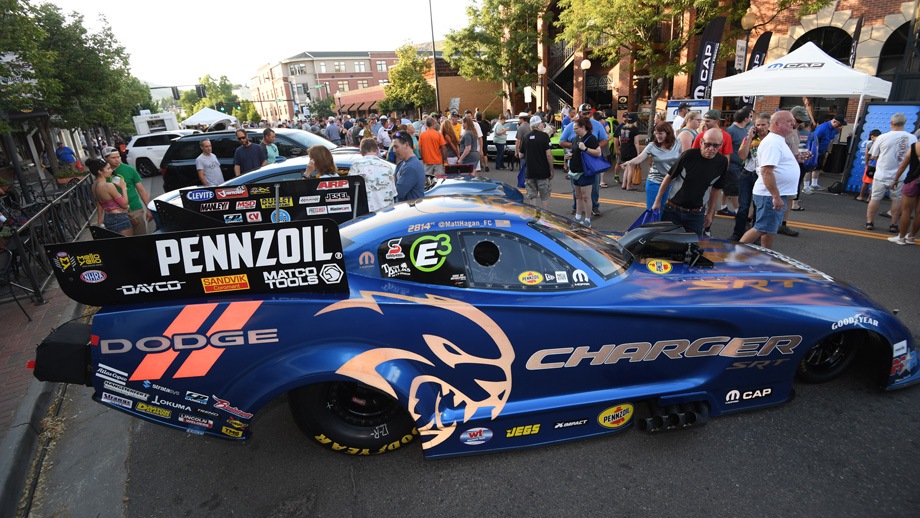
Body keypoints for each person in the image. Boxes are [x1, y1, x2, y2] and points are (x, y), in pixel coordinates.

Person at [739, 111, 801, 249]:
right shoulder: (772, 142)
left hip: (774, 194)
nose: (793, 124)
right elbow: (766, 171)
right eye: (789, 121)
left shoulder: (778, 140)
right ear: (777, 124)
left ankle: (765, 257)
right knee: (761, 228)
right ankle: (734, 255)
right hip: (769, 195)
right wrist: (775, 196)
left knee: (769, 228)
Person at [652, 128, 729, 237]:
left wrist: (710, 213)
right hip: (673, 210)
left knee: (693, 247)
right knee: (666, 243)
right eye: (707, 144)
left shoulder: (722, 162)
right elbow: (669, 177)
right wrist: (657, 201)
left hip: (696, 214)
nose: (711, 149)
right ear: (701, 142)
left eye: (716, 146)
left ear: (721, 144)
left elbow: (716, 189)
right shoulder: (688, 155)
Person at [866, 113, 917, 232]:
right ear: (904, 123)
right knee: (897, 200)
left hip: (882, 173)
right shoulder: (912, 138)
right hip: (900, 175)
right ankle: (893, 224)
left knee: (875, 198)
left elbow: (873, 155)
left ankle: (869, 222)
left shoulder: (882, 137)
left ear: (891, 123)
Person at [560, 104, 610, 215]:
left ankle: (594, 206)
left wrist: (594, 147)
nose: (587, 115)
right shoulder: (572, 126)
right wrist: (574, 147)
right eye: (584, 113)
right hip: (576, 163)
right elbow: (562, 141)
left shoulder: (597, 125)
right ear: (579, 113)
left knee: (594, 187)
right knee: (576, 190)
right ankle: (576, 207)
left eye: (589, 113)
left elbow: (604, 140)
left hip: (591, 163)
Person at [730, 113, 770, 241]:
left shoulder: (772, 140)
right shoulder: (749, 139)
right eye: (758, 124)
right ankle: (738, 233)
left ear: (769, 125)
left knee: (759, 207)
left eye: (763, 124)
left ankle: (756, 236)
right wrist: (749, 138)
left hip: (763, 176)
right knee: (743, 207)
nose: (760, 127)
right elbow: (742, 155)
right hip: (747, 174)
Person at [624, 122, 681, 210]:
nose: (658, 136)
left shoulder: (677, 144)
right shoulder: (652, 146)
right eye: (656, 133)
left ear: (668, 133)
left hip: (671, 183)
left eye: (660, 133)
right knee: (653, 210)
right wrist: (629, 162)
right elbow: (640, 158)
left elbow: (683, 159)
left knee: (666, 212)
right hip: (655, 182)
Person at [102, 146, 151, 235]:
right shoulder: (103, 174)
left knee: (141, 238)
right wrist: (100, 219)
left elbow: (141, 190)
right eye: (113, 158)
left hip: (134, 209)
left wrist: (149, 208)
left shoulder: (130, 169)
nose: (117, 160)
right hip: (116, 214)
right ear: (105, 158)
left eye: (118, 157)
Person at [348, 138, 397, 212]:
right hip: (386, 213)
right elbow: (393, 193)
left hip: (366, 214)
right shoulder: (387, 167)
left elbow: (351, 192)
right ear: (377, 151)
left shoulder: (356, 166)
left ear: (361, 152)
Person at [569, 117, 602, 227]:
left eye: (576, 128)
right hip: (575, 171)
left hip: (585, 172)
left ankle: (587, 219)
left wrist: (585, 149)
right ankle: (578, 217)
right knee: (577, 195)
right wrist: (570, 155)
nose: (574, 130)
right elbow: (575, 151)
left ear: (583, 127)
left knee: (586, 196)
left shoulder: (591, 138)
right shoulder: (576, 138)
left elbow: (598, 153)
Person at [88, 157, 132, 236]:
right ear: (100, 171)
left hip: (108, 217)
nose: (111, 171)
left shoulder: (94, 186)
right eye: (108, 169)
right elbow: (124, 205)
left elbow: (100, 203)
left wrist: (100, 219)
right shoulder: (108, 186)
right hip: (119, 218)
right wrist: (123, 188)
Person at [721, 107, 752, 216]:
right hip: (732, 165)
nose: (751, 119)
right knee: (734, 189)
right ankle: (739, 212)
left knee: (728, 187)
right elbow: (724, 148)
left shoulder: (745, 130)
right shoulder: (731, 131)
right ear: (745, 118)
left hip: (740, 165)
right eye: (750, 116)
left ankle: (722, 207)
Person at [889, 138, 920, 244]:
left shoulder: (915, 146)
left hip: (913, 181)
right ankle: (911, 236)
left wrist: (896, 179)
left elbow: (903, 165)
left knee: (906, 211)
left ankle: (901, 237)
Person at [521, 115, 554, 209]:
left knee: (532, 196)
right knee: (544, 197)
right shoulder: (544, 136)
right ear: (538, 125)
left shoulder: (526, 137)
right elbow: (548, 155)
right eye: (542, 124)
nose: (543, 125)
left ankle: (534, 217)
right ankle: (544, 218)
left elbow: (520, 155)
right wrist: (551, 169)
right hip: (543, 172)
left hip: (530, 172)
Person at [812, 114, 847, 182]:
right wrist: (814, 150)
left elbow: (830, 137)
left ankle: (814, 184)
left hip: (821, 150)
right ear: (834, 121)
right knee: (810, 168)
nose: (840, 126)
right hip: (815, 150)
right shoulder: (823, 128)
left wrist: (837, 131)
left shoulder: (833, 129)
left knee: (818, 168)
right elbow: (814, 138)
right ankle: (806, 186)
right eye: (839, 125)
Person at [392, 131, 425, 201]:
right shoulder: (401, 163)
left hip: (410, 210)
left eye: (396, 147)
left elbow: (397, 193)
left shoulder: (411, 167)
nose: (394, 150)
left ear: (406, 145)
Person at [614, 112, 640, 191]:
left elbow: (620, 140)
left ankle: (623, 184)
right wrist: (638, 153)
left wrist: (620, 149)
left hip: (623, 150)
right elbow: (636, 142)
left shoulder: (622, 128)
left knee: (626, 168)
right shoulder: (634, 129)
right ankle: (628, 185)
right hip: (631, 150)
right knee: (630, 168)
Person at [857, 129, 882, 202]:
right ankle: (869, 198)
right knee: (874, 183)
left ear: (872, 136)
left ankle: (861, 196)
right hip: (879, 166)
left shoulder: (869, 144)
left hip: (870, 165)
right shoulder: (882, 144)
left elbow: (866, 155)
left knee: (866, 182)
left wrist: (866, 163)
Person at [515, 112, 533, 187]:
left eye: (519, 118)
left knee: (524, 167)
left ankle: (525, 182)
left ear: (522, 119)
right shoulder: (530, 127)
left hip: (523, 150)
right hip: (531, 150)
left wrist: (516, 151)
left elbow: (518, 141)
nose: (518, 120)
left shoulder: (521, 128)